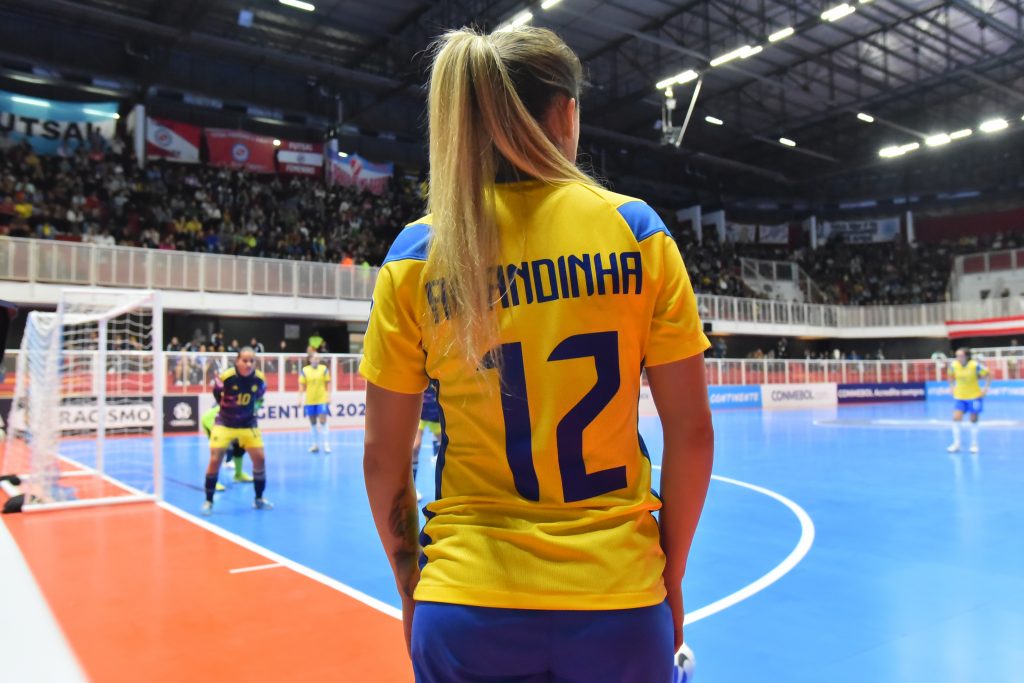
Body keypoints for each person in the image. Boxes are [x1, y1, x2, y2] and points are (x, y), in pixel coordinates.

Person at [360, 27, 714, 683]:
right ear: (566, 113)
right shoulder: (637, 232)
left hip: (466, 604)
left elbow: (384, 459)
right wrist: (668, 575)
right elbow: (692, 435)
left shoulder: (416, 253)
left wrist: (416, 587)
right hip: (617, 599)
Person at [202, 347, 271, 515]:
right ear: (237, 361)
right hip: (225, 424)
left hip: (248, 425)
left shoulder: (259, 379)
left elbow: (260, 397)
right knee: (214, 460)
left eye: (251, 361)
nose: (248, 364)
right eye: (244, 360)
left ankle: (259, 499)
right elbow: (217, 394)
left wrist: (249, 410)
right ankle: (208, 501)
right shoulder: (226, 377)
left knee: (260, 460)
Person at [948, 347, 992, 454]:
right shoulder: (953, 365)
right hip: (960, 396)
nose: (958, 358)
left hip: (974, 396)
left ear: (967, 356)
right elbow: (950, 376)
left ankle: (974, 444)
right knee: (956, 418)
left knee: (973, 419)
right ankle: (956, 443)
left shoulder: (974, 365)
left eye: (961, 355)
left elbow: (988, 375)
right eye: (957, 355)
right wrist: (952, 387)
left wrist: (985, 388)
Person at [200, 404, 254, 489]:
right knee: (219, 450)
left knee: (240, 446)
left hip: (226, 421)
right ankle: (211, 482)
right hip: (212, 420)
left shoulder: (247, 410)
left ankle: (238, 475)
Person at [410, 384, 442, 502]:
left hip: (438, 415)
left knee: (450, 450)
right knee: (415, 447)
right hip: (421, 414)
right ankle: (412, 488)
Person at [298, 352, 331, 454]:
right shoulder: (305, 370)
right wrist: (299, 398)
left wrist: (328, 397)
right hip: (310, 400)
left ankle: (326, 445)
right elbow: (302, 386)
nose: (316, 360)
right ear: (310, 359)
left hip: (321, 399)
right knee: (313, 423)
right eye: (314, 358)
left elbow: (327, 385)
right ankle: (315, 445)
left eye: (318, 358)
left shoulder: (324, 369)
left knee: (323, 421)